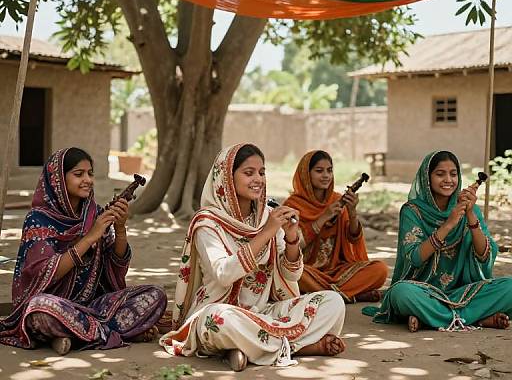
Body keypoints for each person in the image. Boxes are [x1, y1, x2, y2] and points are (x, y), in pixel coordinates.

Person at [159, 143, 346, 371]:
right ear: (227, 178)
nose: (258, 179)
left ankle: (245, 348)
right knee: (217, 321)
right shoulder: (207, 223)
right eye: (249, 173)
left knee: (333, 303)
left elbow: (292, 274)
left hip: (264, 312)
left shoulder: (268, 216)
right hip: (222, 310)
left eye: (262, 172)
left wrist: (291, 238)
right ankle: (303, 347)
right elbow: (224, 274)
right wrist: (267, 231)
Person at [0, 148, 167, 354]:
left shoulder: (93, 214)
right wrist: (89, 238)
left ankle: (75, 334)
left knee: (155, 294)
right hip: (53, 305)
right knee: (39, 309)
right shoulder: (38, 219)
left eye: (90, 173)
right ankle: (112, 332)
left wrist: (120, 229)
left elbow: (113, 271)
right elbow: (43, 274)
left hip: (93, 307)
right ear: (58, 179)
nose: (87, 179)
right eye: (78, 174)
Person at [363, 150, 512, 332]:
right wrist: (448, 225)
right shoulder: (412, 211)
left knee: (509, 287)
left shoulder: (470, 209)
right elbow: (415, 258)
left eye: (453, 174)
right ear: (427, 178)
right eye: (440, 174)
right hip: (423, 292)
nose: (448, 180)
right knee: (400, 293)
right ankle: (476, 319)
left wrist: (471, 215)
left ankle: (432, 318)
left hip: (463, 291)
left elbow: (485, 255)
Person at [283, 150, 387, 303]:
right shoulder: (293, 206)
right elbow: (293, 246)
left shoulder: (337, 200)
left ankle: (328, 295)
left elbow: (352, 240)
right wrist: (324, 217)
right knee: (289, 271)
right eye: (319, 171)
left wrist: (352, 213)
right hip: (309, 270)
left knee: (380, 270)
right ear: (306, 174)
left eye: (329, 170)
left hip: (337, 271)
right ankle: (348, 294)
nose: (326, 175)